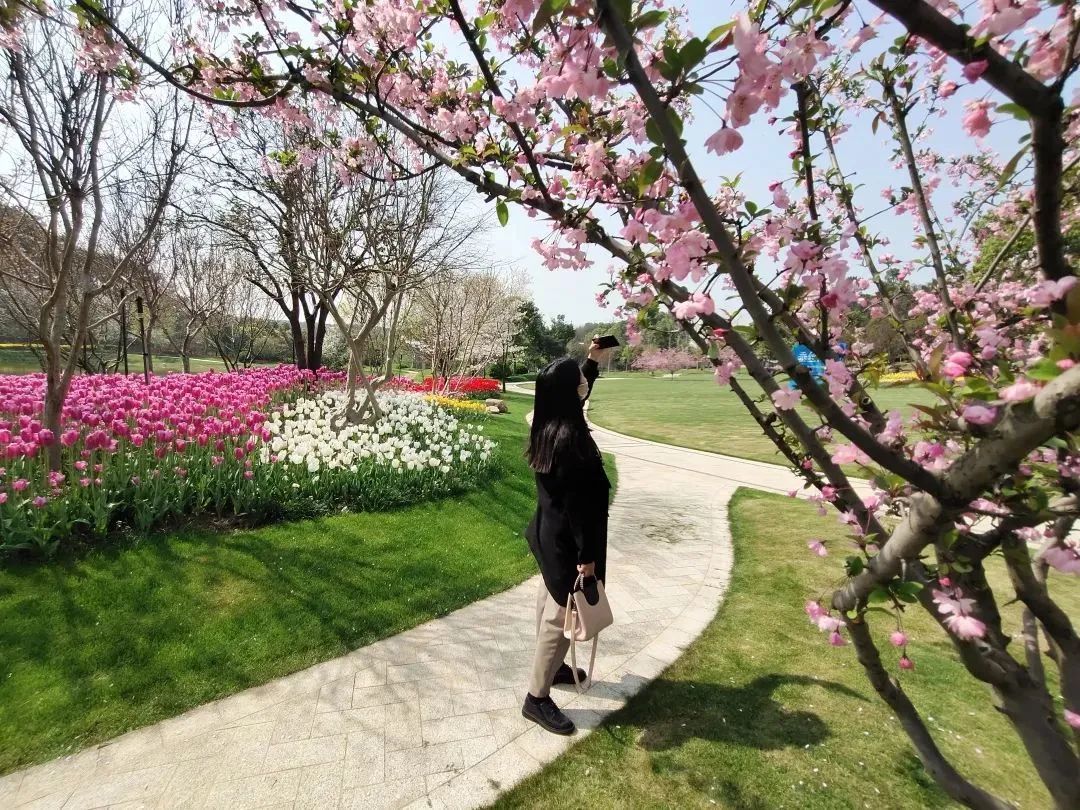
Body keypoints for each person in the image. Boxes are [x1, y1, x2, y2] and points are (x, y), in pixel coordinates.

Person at [521, 338, 611, 735]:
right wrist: (588, 558)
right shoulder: (570, 442)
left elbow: (575, 390)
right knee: (559, 620)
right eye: (579, 382)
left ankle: (554, 671)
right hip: (569, 546)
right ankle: (536, 698)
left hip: (548, 536)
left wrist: (590, 360)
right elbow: (582, 510)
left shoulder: (547, 423)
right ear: (567, 394)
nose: (584, 386)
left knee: (548, 605)